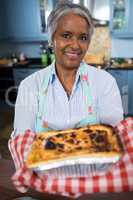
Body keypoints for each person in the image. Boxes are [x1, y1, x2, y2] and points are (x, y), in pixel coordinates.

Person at [11, 1, 123, 137]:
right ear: (52, 39)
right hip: (42, 158)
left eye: (83, 38)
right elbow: (22, 140)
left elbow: (113, 136)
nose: (75, 45)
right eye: (66, 35)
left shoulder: (105, 83)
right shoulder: (29, 86)